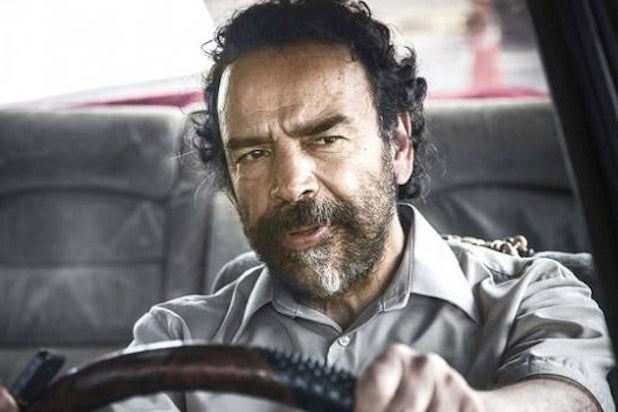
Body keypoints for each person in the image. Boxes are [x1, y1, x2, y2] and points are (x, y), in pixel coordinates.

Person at [1, 1, 614, 411]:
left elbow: (570, 395)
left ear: (398, 146)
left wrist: (474, 407)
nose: (291, 184)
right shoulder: (176, 338)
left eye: (325, 139)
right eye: (253, 153)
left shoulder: (533, 293)